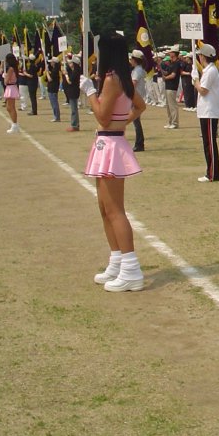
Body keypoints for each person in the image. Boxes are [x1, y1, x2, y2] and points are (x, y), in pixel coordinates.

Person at [82, 32, 147, 292]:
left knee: (115, 210)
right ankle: (117, 260)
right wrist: (123, 123)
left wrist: (88, 92)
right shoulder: (120, 77)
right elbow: (139, 107)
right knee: (104, 209)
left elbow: (101, 116)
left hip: (110, 144)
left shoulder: (112, 79)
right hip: (107, 142)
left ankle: (131, 269)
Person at [193, 43, 219, 182]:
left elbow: (203, 90)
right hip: (205, 111)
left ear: (203, 56)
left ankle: (212, 173)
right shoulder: (208, 70)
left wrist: (196, 80)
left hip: (210, 111)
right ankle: (210, 172)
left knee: (210, 143)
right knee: (207, 142)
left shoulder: (211, 71)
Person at [129, 51, 146, 152]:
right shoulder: (138, 69)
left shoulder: (137, 70)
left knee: (136, 121)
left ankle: (139, 143)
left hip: (136, 97)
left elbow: (133, 84)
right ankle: (139, 142)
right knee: (136, 121)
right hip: (137, 97)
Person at [162, 46, 181, 129]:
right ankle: (170, 122)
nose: (169, 53)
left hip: (172, 86)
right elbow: (168, 72)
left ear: (174, 53)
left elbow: (173, 75)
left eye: (171, 52)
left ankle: (175, 122)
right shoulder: (171, 63)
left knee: (172, 105)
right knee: (168, 105)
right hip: (167, 86)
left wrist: (165, 78)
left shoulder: (177, 63)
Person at [2, 54, 21, 133]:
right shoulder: (12, 68)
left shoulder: (10, 69)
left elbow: (6, 81)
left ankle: (15, 124)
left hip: (11, 87)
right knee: (8, 107)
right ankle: (14, 123)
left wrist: (4, 76)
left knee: (11, 107)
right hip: (10, 87)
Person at [63, 55, 82, 132]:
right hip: (73, 91)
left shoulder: (76, 72)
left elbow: (70, 81)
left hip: (73, 91)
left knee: (74, 109)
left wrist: (66, 75)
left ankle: (74, 125)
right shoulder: (75, 70)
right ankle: (75, 124)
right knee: (74, 109)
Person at [47, 57, 61, 122]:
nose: (51, 63)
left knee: (54, 103)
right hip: (52, 88)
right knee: (53, 103)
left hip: (53, 88)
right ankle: (56, 116)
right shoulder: (54, 70)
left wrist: (47, 73)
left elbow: (50, 79)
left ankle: (57, 117)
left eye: (52, 62)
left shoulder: (55, 70)